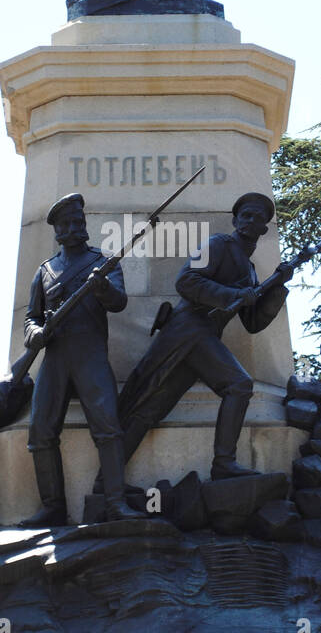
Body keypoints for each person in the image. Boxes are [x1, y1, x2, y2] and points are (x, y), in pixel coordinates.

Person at [117, 192, 293, 479]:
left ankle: (105, 484)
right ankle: (223, 464)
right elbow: (186, 280)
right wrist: (234, 294)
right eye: (246, 215)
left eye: (258, 218)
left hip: (203, 339)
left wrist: (276, 288)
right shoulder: (217, 245)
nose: (250, 221)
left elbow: (252, 322)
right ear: (235, 220)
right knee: (238, 385)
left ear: (264, 228)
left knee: (150, 410)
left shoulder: (249, 271)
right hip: (188, 329)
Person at [26, 194, 138, 525]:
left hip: (91, 354)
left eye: (79, 222)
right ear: (57, 231)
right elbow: (31, 317)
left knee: (107, 428)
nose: (75, 229)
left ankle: (116, 503)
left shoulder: (102, 262)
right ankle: (52, 507)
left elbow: (118, 302)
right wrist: (35, 334)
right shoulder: (45, 271)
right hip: (56, 356)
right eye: (67, 224)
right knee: (40, 431)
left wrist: (101, 287)